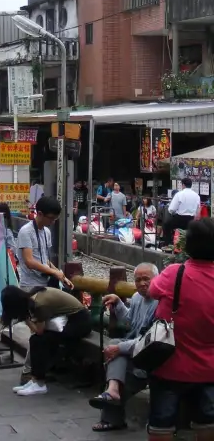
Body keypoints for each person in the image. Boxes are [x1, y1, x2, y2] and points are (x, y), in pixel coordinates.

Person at [146, 218, 214, 439]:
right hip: (209, 369)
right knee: (207, 423)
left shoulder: (174, 273)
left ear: (187, 245)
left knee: (162, 425)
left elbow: (152, 292)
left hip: (169, 365)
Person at [88, 263, 159, 432]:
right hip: (134, 350)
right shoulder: (136, 298)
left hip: (150, 354)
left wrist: (120, 348)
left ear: (157, 279)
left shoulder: (160, 302)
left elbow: (150, 339)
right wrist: (118, 303)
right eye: (138, 280)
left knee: (116, 350)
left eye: (146, 279)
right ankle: (113, 392)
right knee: (117, 356)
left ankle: (112, 405)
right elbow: (130, 323)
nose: (142, 283)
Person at [15, 195, 73, 384]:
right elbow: (30, 261)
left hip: (44, 284)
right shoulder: (25, 231)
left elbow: (44, 259)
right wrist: (54, 273)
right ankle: (28, 372)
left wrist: (60, 274)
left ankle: (37, 369)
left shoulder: (46, 232)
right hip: (30, 286)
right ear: (39, 214)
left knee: (44, 330)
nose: (52, 222)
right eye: (50, 218)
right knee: (38, 331)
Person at [2, 285, 92, 396]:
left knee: (41, 341)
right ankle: (35, 380)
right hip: (70, 320)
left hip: (80, 322)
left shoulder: (39, 304)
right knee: (36, 340)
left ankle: (39, 383)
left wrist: (25, 319)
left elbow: (38, 331)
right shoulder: (34, 297)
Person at [164, 177, 201, 246]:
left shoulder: (179, 194)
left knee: (166, 225)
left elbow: (171, 209)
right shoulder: (197, 196)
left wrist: (174, 213)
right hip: (191, 220)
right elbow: (198, 211)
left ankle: (168, 244)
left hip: (180, 219)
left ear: (183, 185)